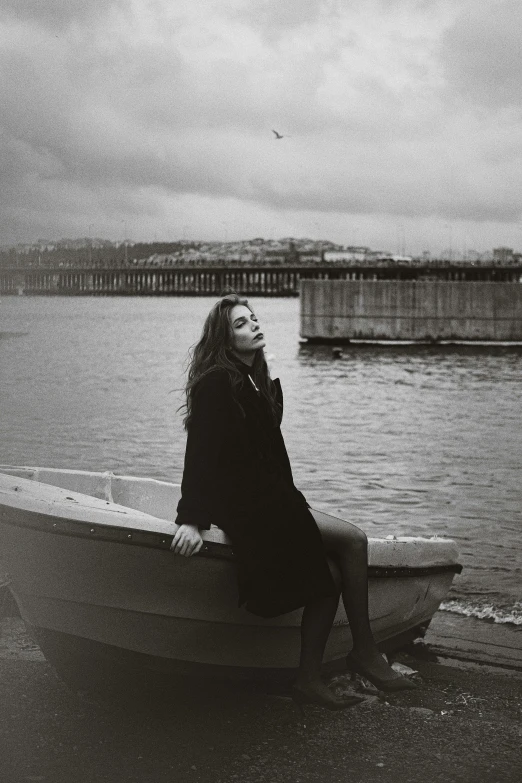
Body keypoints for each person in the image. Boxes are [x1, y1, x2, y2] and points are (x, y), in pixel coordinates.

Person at [171, 293, 416, 710]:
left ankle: (309, 679)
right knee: (354, 540)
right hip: (249, 508)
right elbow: (200, 453)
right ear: (224, 338)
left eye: (254, 318)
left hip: (274, 500)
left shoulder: (253, 377)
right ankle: (365, 653)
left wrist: (292, 500)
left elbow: (269, 455)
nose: (254, 325)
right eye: (241, 324)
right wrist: (190, 518)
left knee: (334, 576)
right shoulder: (217, 381)